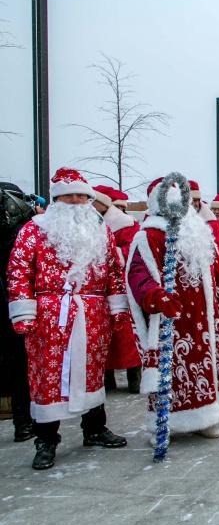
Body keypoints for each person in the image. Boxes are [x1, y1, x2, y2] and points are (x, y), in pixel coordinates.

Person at [6, 168, 129, 470]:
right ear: (56, 198)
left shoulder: (101, 229)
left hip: (92, 313)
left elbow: (113, 269)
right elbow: (19, 270)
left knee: (91, 371)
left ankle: (95, 428)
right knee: (48, 376)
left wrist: (117, 307)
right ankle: (46, 439)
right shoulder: (34, 229)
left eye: (82, 196)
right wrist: (24, 310)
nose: (76, 201)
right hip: (50, 315)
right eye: (69, 195)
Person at [126, 177, 219, 438]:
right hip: (172, 316)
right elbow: (138, 273)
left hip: (204, 315)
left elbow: (217, 267)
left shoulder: (199, 231)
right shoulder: (150, 235)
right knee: (172, 370)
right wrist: (154, 295)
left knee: (205, 364)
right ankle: (163, 423)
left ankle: (206, 417)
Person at [91, 185, 144, 393]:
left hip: (121, 283)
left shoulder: (126, 224)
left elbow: (132, 250)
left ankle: (134, 376)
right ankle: (106, 378)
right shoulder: (87, 222)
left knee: (126, 333)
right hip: (97, 285)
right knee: (102, 332)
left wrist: (108, 254)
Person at [1, 182, 39, 442]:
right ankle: (23, 420)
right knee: (20, 364)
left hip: (17, 303)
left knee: (19, 364)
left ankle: (24, 420)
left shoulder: (22, 230)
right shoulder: (20, 232)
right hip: (17, 304)